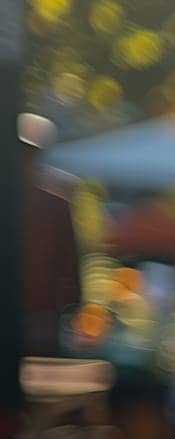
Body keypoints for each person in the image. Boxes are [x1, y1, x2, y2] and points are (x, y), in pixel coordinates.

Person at [19, 114, 81, 357]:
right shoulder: (54, 205)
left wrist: (74, 299)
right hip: (40, 317)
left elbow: (69, 259)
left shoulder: (54, 206)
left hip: (40, 316)